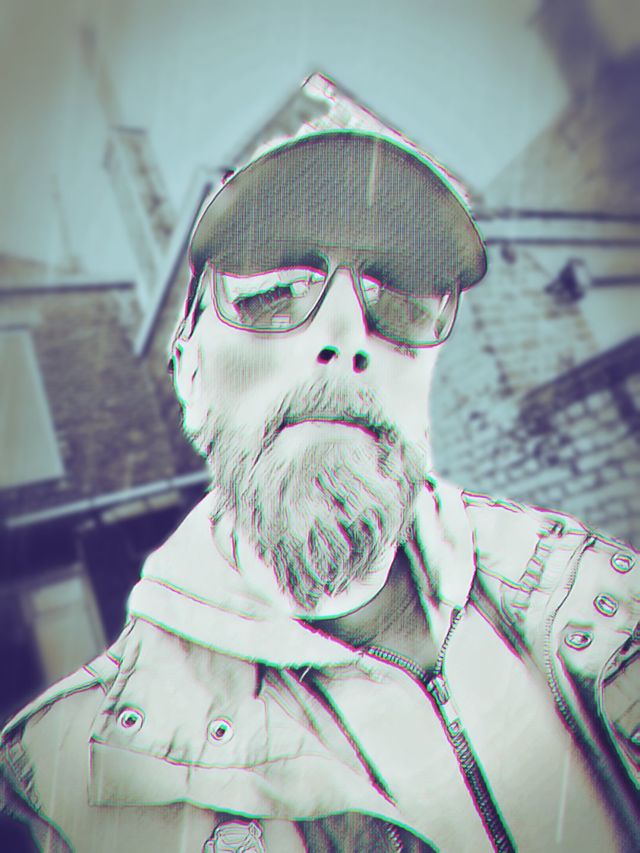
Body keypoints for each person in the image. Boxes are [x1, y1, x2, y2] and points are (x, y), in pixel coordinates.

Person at [1, 128, 638, 853]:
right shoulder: (66, 789)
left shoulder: (598, 593)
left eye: (399, 298)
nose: (345, 334)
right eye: (272, 293)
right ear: (190, 374)